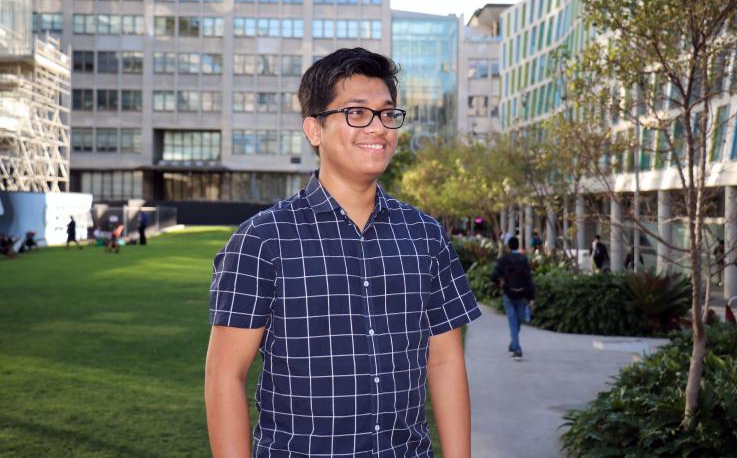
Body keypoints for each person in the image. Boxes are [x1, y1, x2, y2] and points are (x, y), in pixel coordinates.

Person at [205, 48, 482, 458]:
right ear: (314, 129)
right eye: (357, 112)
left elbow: (444, 361)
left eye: (386, 113)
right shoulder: (262, 240)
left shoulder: (425, 235)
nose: (378, 127)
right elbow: (225, 375)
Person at [490, 236, 535, 361]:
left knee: (513, 322)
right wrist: (531, 297)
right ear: (517, 245)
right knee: (518, 321)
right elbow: (529, 279)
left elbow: (493, 275)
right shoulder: (523, 259)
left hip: (508, 294)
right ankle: (517, 348)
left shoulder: (504, 259)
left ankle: (514, 346)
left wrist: (500, 283)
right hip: (522, 295)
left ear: (509, 246)